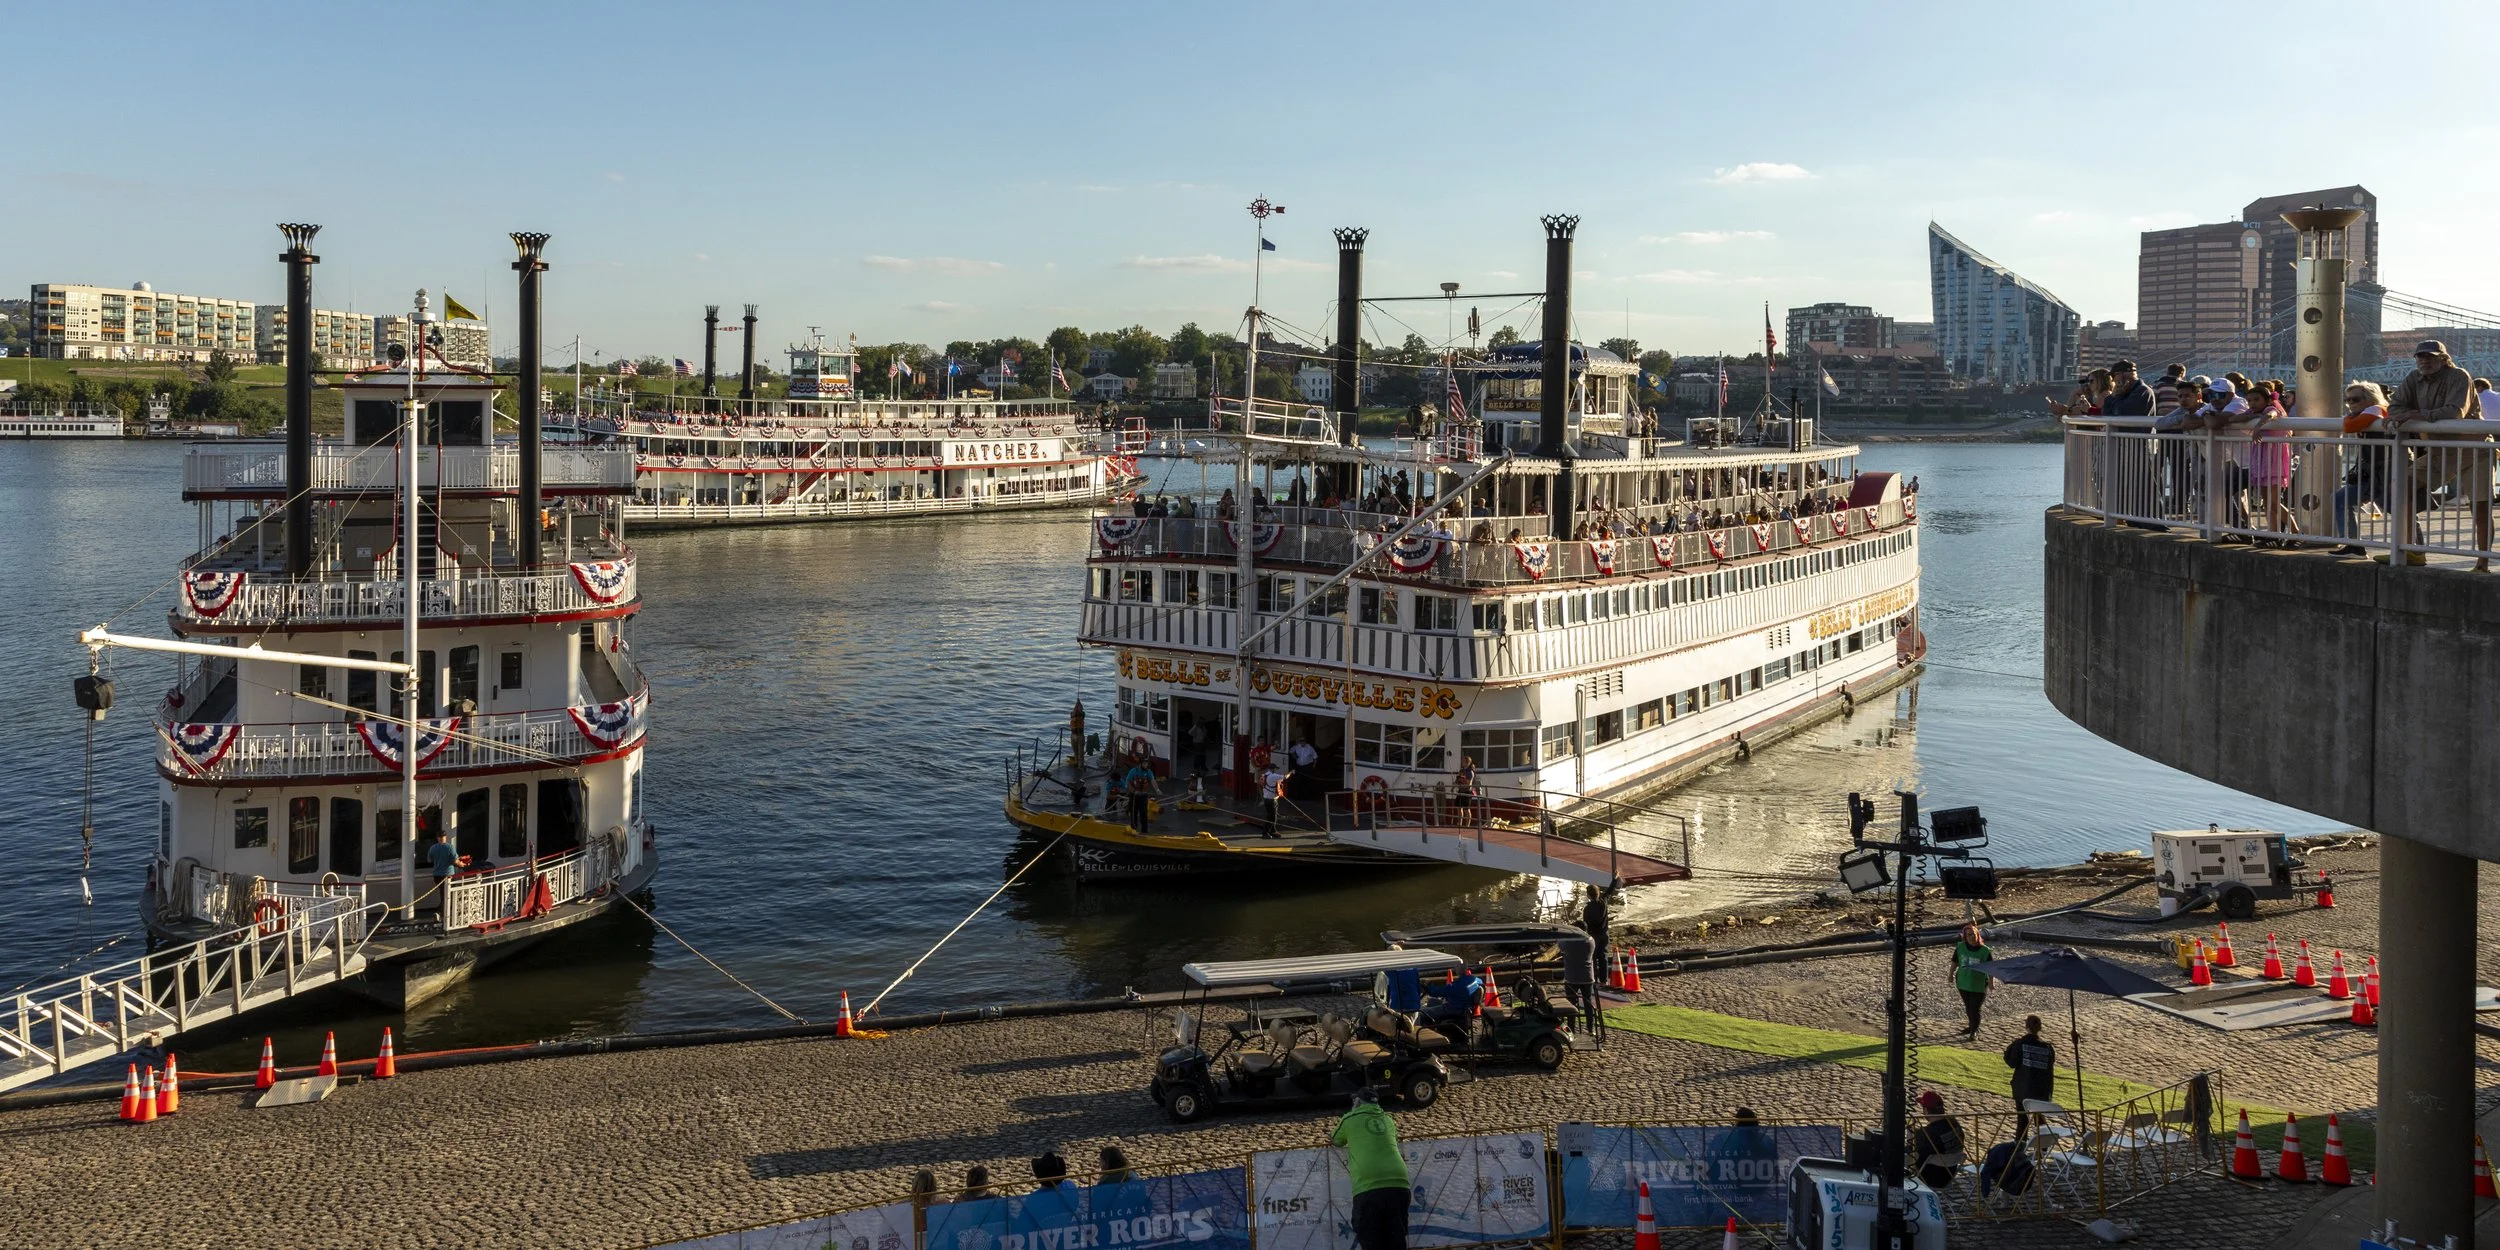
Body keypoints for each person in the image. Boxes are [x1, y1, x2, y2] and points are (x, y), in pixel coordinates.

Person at [2386, 340, 2483, 567]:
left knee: (2479, 507)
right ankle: (2412, 550)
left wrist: (2414, 415)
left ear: (2443, 358)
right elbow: (2395, 407)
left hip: (2472, 449)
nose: (2424, 360)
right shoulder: (2413, 377)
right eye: (2420, 356)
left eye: (2430, 356)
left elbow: (2455, 412)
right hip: (2439, 450)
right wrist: (2404, 414)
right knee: (2401, 486)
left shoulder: (2458, 376)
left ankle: (2483, 564)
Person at [1333, 1090, 1412, 1250]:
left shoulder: (1350, 1118)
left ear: (1358, 1103)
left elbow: (1335, 1139)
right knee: (1396, 1239)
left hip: (1369, 1184)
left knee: (1370, 1238)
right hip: (1399, 1183)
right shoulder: (1388, 1120)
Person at [2333, 381, 2393, 553]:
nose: (2350, 403)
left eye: (2355, 399)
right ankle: (2353, 545)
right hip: (2373, 473)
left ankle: (2413, 550)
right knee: (2340, 499)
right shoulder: (2366, 413)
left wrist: (2349, 417)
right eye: (2348, 400)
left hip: (2387, 472)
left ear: (2370, 398)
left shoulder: (2375, 409)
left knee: (2400, 509)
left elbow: (2350, 427)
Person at [2004, 1015, 2058, 1137]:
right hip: (2041, 1090)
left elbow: (2011, 1062)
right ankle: (2043, 1146)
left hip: (2023, 1088)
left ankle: (2020, 1144)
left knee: (2022, 1119)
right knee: (2039, 1118)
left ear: (2026, 1026)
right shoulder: (2047, 1048)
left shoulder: (2020, 1044)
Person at [1911, 1091, 1968, 1189]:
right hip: (1949, 1175)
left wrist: (1911, 1137)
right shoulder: (1954, 1124)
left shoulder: (1925, 1133)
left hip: (1927, 1178)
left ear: (1926, 1111)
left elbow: (1914, 1156)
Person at [1947, 923, 1993, 1037]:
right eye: (1969, 935)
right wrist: (1950, 974)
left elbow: (1991, 968)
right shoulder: (1960, 947)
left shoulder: (1985, 951)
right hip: (1963, 982)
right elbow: (1955, 961)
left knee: (1975, 1008)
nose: (1972, 937)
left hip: (1978, 984)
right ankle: (1972, 1025)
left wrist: (1991, 983)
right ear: (1965, 937)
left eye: (1973, 934)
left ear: (1978, 935)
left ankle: (1974, 1031)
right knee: (1968, 1007)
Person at [1122, 757, 1158, 834]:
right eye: (1145, 763)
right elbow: (1127, 783)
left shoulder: (1148, 772)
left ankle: (1144, 830)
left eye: (1147, 763)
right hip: (1134, 796)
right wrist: (1134, 791)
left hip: (1144, 796)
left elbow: (1153, 781)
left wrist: (1157, 789)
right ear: (1140, 764)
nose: (1146, 765)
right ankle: (1133, 829)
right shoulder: (1133, 771)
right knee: (1134, 812)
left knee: (1144, 813)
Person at [1260, 757, 1287, 838]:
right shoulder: (1273, 776)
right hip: (1271, 800)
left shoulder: (1265, 775)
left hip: (1266, 798)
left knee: (1271, 815)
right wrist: (1291, 773)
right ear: (1273, 769)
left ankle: (1273, 831)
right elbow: (1285, 777)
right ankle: (1265, 833)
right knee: (1271, 817)